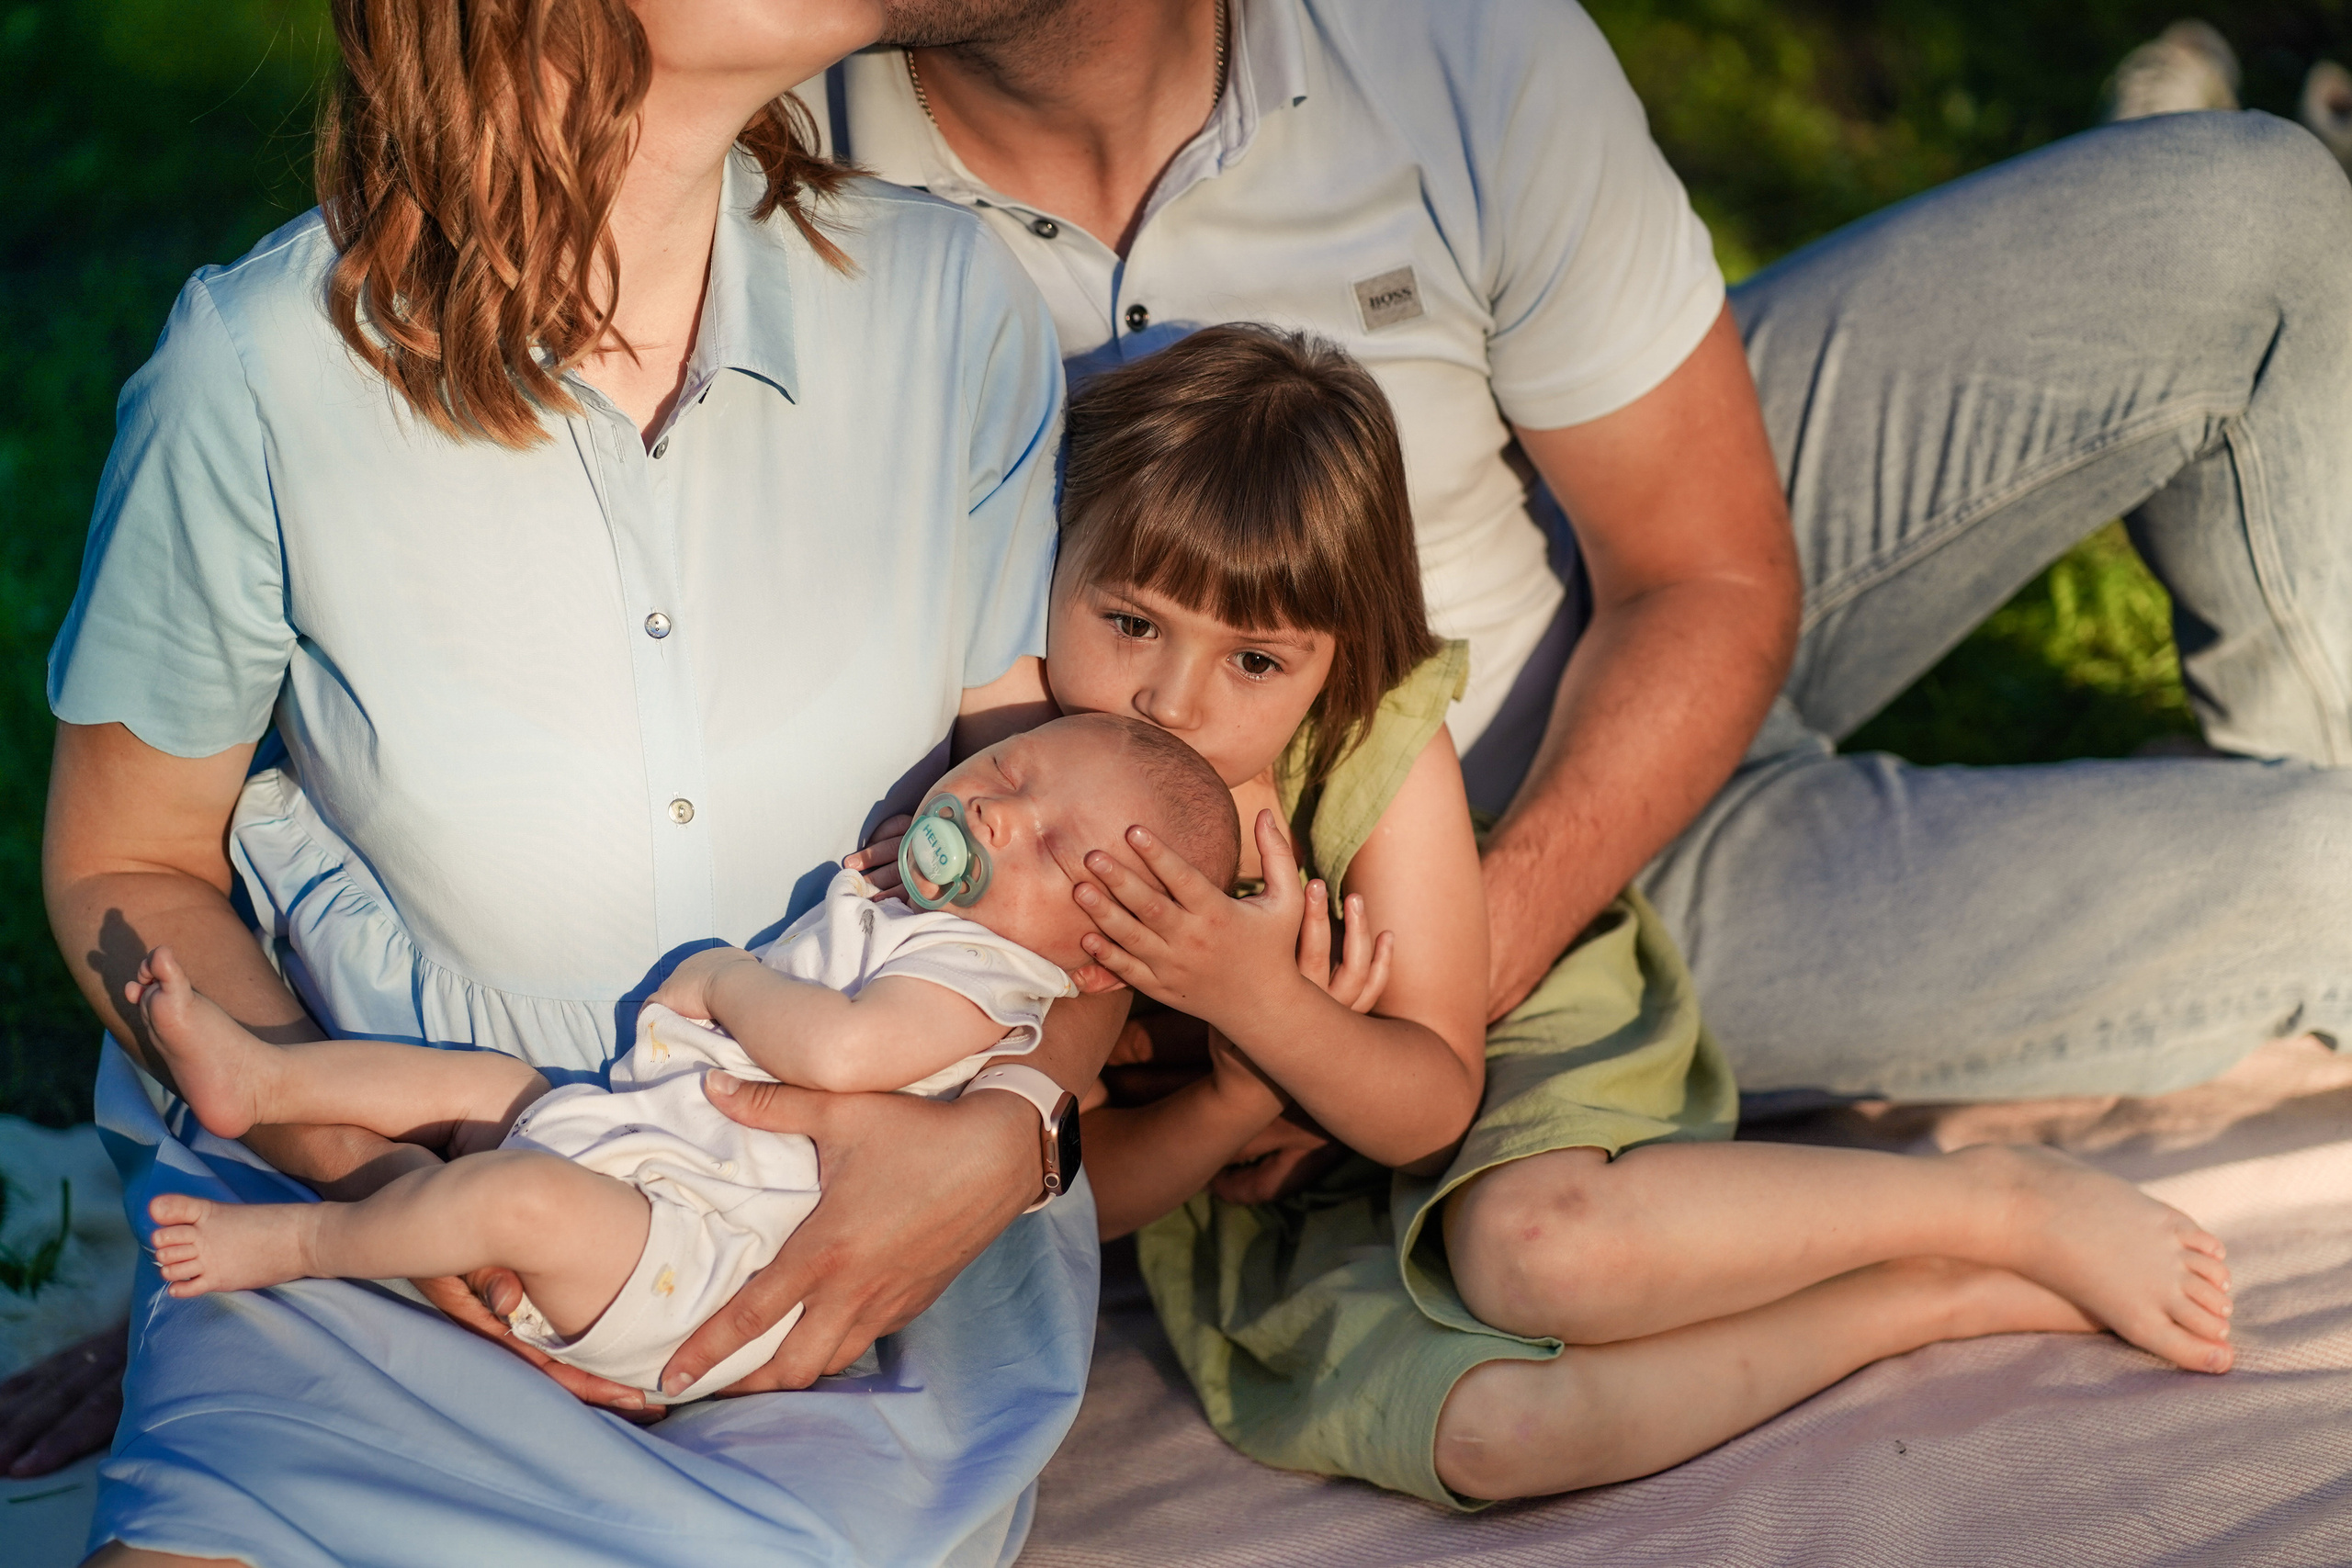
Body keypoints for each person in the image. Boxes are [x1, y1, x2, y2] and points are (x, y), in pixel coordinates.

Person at [37, 0, 1136, 1561]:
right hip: (381, 1222)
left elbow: (1062, 875)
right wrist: (392, 1202)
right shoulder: (260, 367)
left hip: (814, 1260)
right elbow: (125, 863)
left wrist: (1015, 1130)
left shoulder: (951, 306)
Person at [823, 0, 2352, 1108]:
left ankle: (2291, 755)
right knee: (2329, 875)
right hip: (1579, 926)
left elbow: (1708, 572)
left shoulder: (1450, 41)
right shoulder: (768, 162)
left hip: (1583, 676)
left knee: (2252, 207)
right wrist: (1305, 1027)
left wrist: (1468, 956)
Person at [1043, 323, 2233, 1509]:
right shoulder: (1032, 796)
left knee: (1540, 1252)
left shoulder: (1373, 748)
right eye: (1135, 622)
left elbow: (1428, 1100)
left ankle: (1995, 1199)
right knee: (1498, 1436)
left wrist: (1257, 998)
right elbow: (1072, 1185)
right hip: (1284, 1206)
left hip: (1475, 1044)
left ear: (1336, 660)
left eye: (1255, 659)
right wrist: (1239, 1091)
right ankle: (1925, 1295)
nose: (1173, 699)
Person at [130, 716, 1238, 1403]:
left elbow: (845, 1051)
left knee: (522, 1197)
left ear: (1096, 964)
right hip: (647, 1146)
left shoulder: (989, 984)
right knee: (478, 1084)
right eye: (1009, 771)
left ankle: (302, 1243)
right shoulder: (928, 899)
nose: (999, 816)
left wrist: (721, 978)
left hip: (700, 1258)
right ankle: (261, 1080)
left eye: (1048, 845)